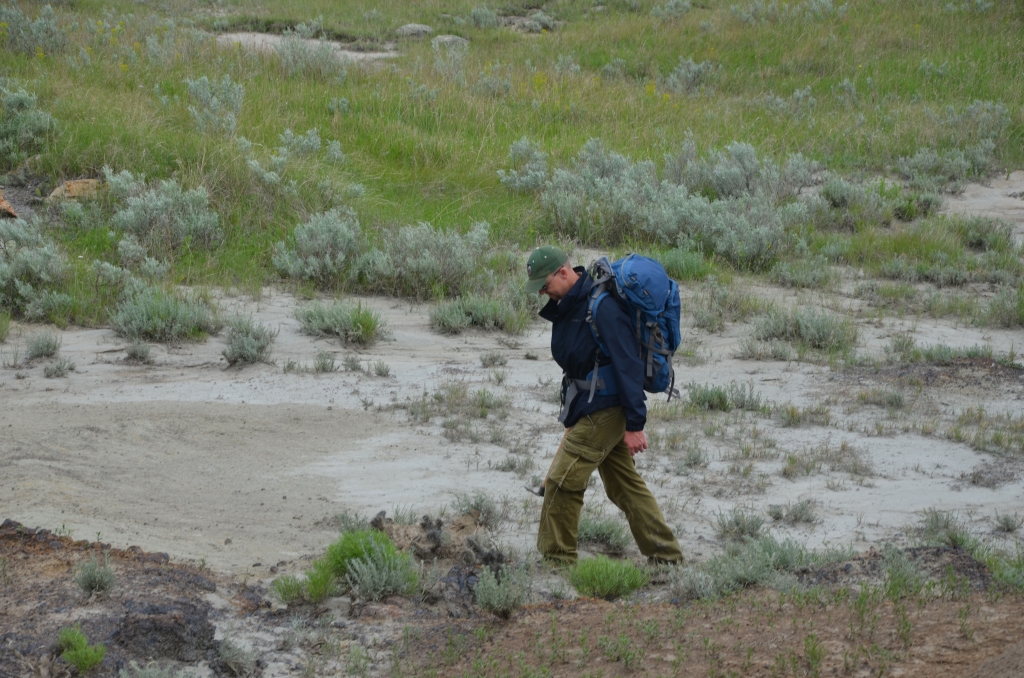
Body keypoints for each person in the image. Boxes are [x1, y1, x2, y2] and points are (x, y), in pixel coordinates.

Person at [525, 246, 684, 565]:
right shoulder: (569, 304)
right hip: (589, 405)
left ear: (563, 272)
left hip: (607, 408)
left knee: (562, 481)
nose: (542, 292)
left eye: (545, 285)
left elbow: (628, 364)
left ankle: (557, 561)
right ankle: (666, 557)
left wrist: (635, 425)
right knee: (624, 486)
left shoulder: (602, 306)